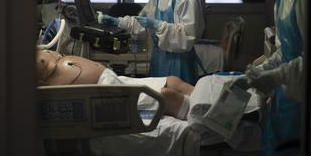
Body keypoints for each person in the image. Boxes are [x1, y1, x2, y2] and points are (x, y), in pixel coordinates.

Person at [244, 0, 305, 156]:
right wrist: (262, 70)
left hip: (307, 99)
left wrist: (276, 76)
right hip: (287, 95)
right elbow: (284, 49)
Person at [99, 0, 205, 85]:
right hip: (159, 59)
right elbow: (142, 21)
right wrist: (117, 22)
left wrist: (157, 25)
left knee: (178, 101)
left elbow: (187, 35)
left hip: (179, 62)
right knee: (158, 100)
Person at [36, 49, 194, 119]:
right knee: (165, 96)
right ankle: (198, 112)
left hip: (114, 81)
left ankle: (204, 98)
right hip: (109, 94)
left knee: (173, 80)